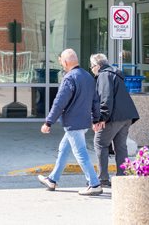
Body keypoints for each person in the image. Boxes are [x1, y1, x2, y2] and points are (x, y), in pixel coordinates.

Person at [38, 48, 102, 196]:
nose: (61, 64)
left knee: (80, 153)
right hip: (83, 122)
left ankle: (94, 183)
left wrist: (48, 122)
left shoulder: (69, 78)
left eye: (61, 61)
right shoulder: (88, 77)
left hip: (73, 123)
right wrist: (96, 119)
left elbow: (59, 103)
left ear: (66, 62)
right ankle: (52, 179)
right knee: (64, 149)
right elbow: (95, 101)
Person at [90, 53, 139, 187]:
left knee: (100, 143)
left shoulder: (104, 75)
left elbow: (106, 98)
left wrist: (101, 118)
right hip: (126, 117)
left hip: (114, 117)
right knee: (121, 146)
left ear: (98, 66)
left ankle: (103, 179)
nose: (91, 69)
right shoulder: (115, 74)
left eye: (92, 66)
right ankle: (123, 177)